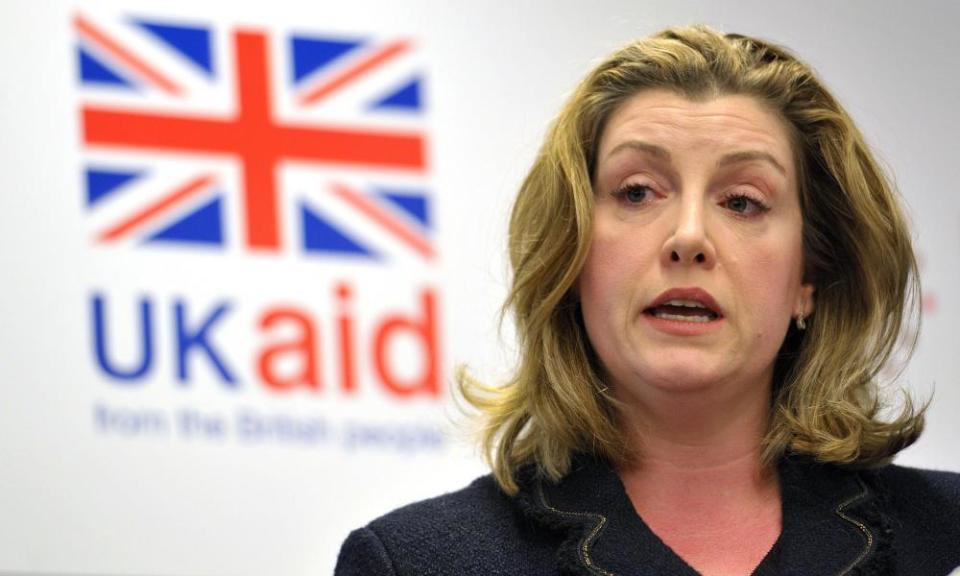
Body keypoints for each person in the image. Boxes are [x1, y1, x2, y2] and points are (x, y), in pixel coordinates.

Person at [335, 25, 960, 575]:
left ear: (809, 277)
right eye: (637, 192)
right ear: (572, 257)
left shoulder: (945, 538)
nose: (688, 236)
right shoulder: (414, 562)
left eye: (741, 201)